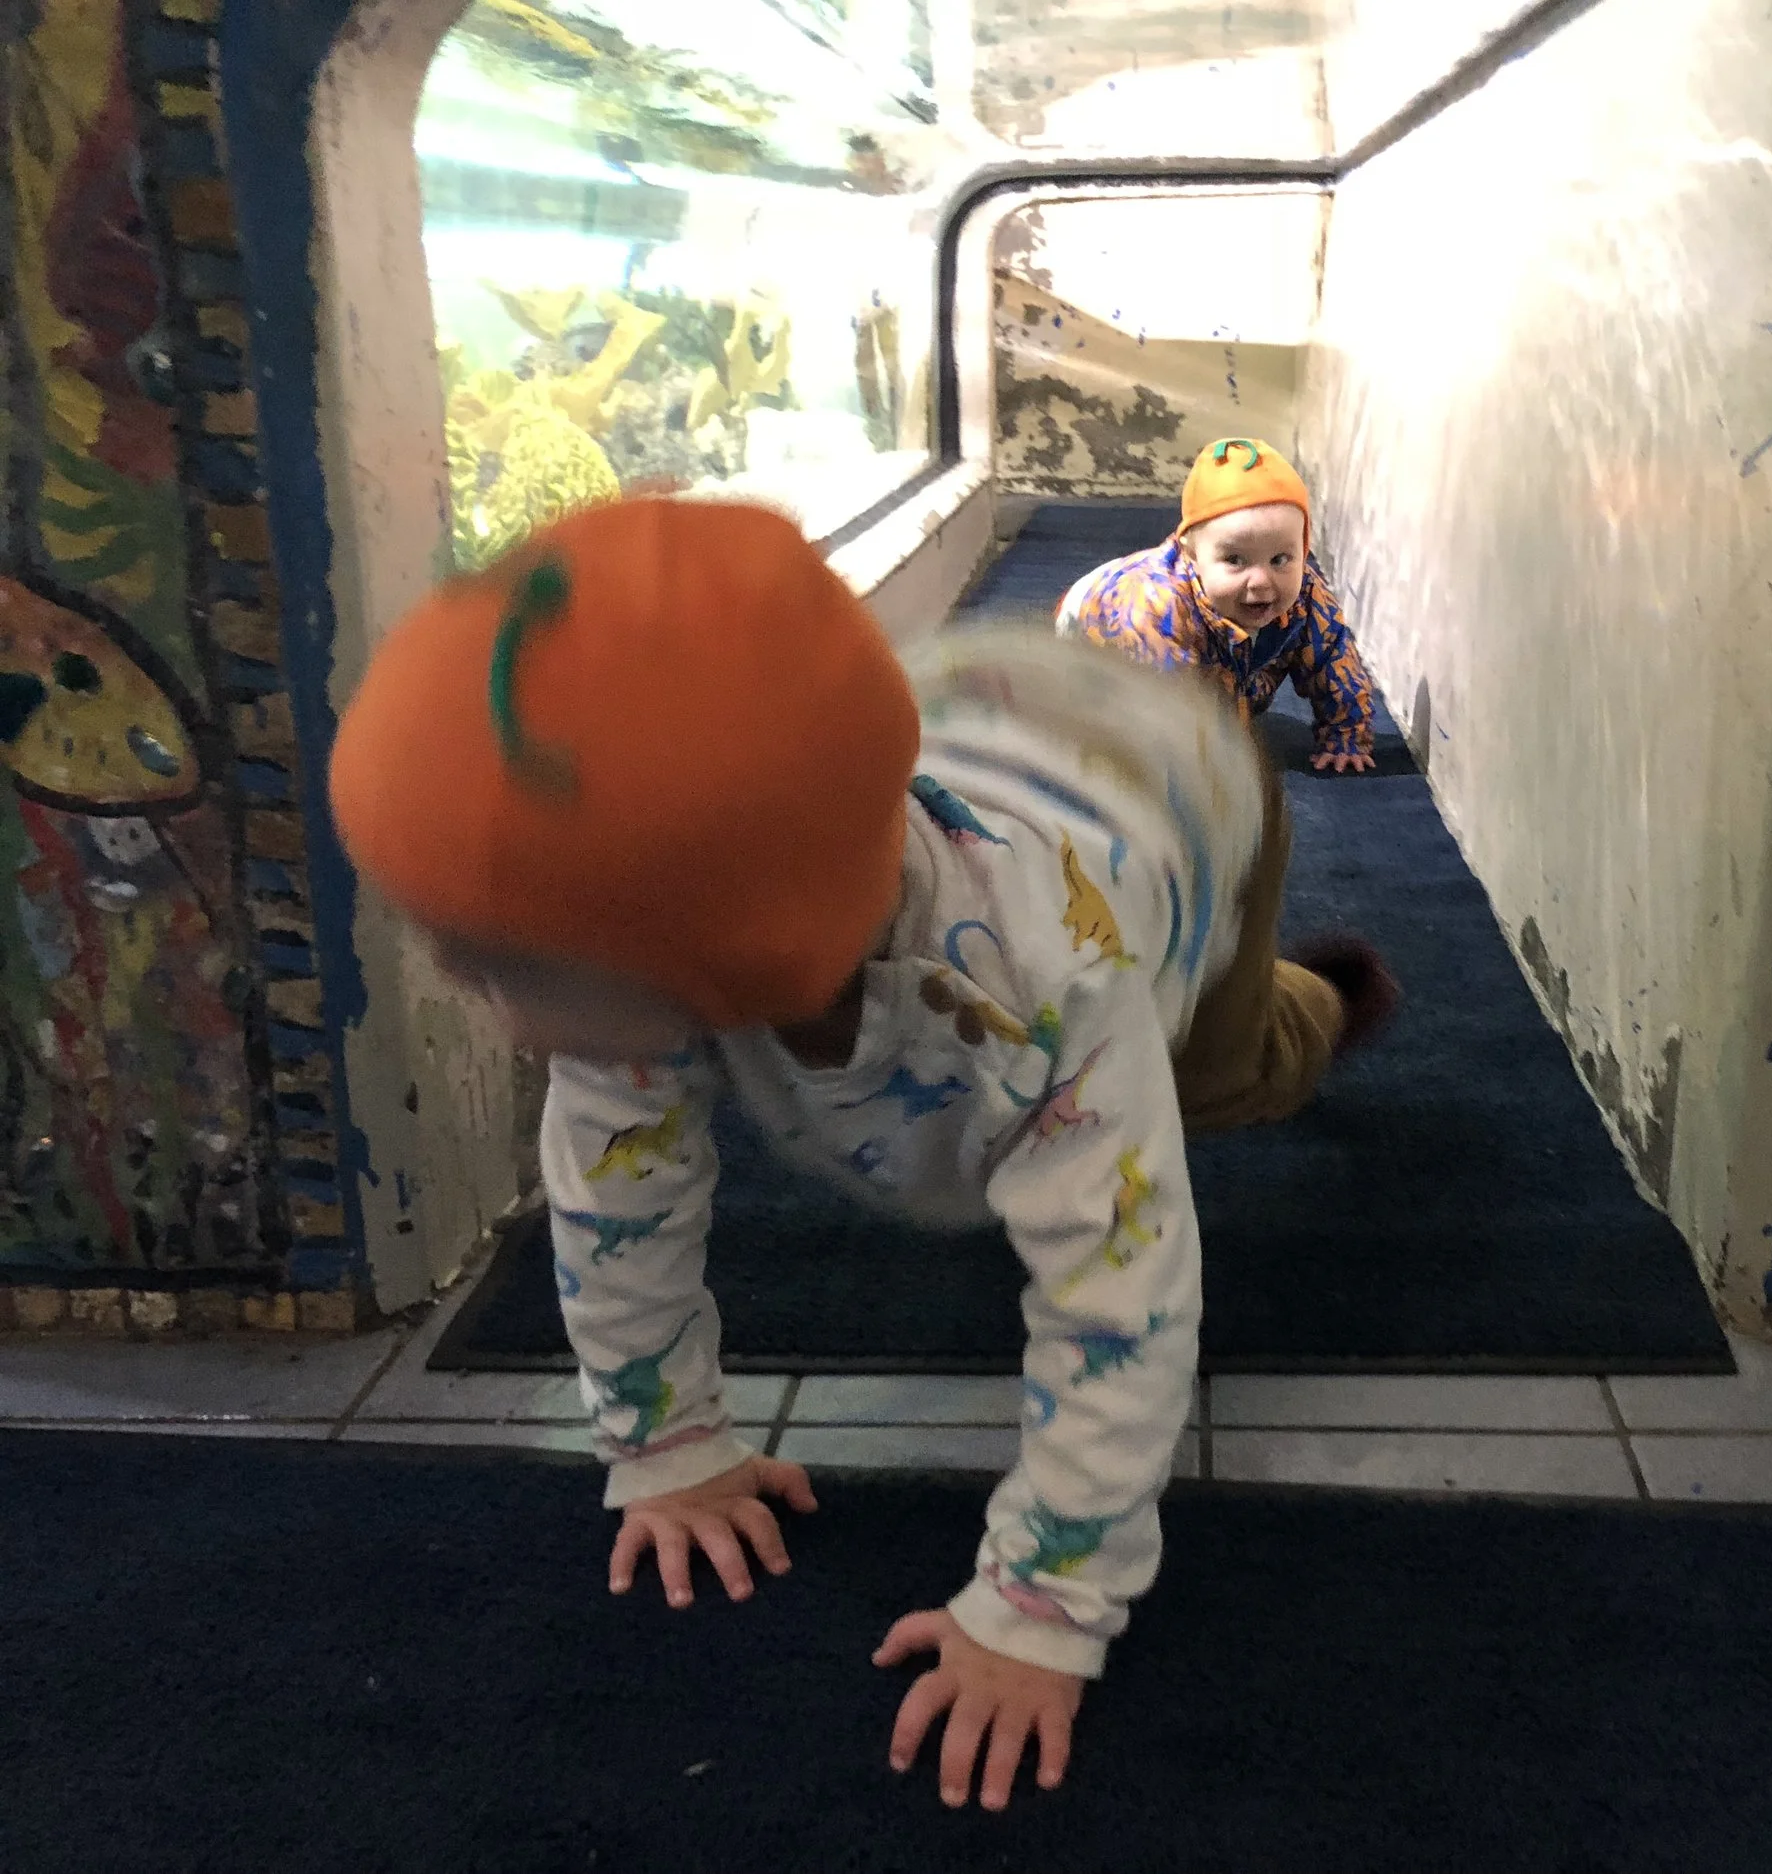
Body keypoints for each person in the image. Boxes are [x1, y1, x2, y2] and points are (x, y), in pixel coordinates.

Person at [326, 496, 1397, 1813]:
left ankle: (1315, 1001)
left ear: (726, 955)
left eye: (498, 966)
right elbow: (618, 1200)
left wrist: (1043, 1603)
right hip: (968, 715)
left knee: (1217, 1077)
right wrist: (668, 1440)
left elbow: (1126, 1306)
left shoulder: (1053, 997)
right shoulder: (653, 959)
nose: (465, 992)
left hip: (1177, 782)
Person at [1057, 436, 1379, 773]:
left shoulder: (1306, 594)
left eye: (1280, 559)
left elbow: (1334, 656)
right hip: (1095, 626)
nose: (1261, 581)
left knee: (1234, 692)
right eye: (1235, 560)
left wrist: (1347, 735)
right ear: (1192, 554)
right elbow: (1162, 708)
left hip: (1219, 651)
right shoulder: (1154, 609)